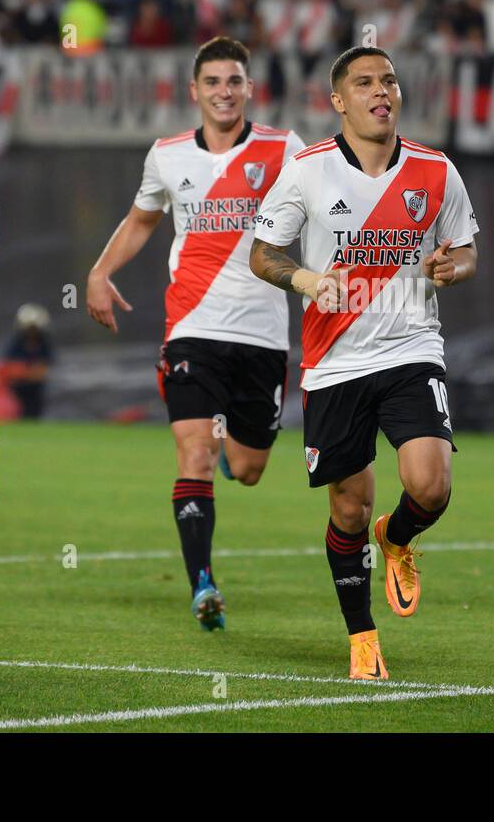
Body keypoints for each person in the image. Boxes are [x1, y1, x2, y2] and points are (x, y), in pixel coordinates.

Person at [250, 46, 479, 679]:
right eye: (365, 83)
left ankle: (399, 536)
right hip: (335, 362)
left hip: (412, 350)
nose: (381, 91)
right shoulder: (308, 171)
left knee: (431, 485)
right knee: (347, 508)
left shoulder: (436, 171)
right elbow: (262, 253)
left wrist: (450, 268)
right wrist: (303, 279)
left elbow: (465, 253)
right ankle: (361, 637)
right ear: (339, 100)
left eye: (389, 81)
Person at [86, 36, 304, 631]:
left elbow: (330, 203)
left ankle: (236, 454)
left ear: (249, 88)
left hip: (261, 336)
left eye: (233, 81)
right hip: (192, 331)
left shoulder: (285, 149)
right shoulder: (167, 155)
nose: (223, 92)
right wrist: (101, 271)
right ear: (195, 91)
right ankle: (203, 584)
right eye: (212, 83)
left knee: (250, 467)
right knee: (194, 454)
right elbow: (141, 219)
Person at [3, 304, 54, 420]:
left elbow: (45, 366)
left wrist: (35, 372)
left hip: (36, 389)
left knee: (34, 414)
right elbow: (9, 365)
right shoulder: (17, 342)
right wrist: (24, 372)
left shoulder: (43, 342)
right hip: (18, 389)